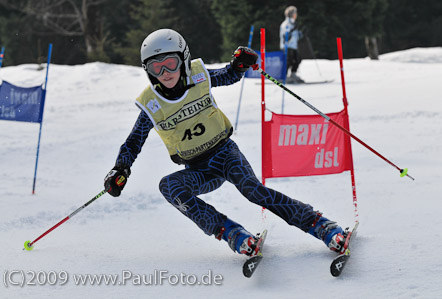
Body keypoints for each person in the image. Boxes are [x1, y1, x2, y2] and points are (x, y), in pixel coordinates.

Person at [104, 28, 348, 258]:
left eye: (170, 63)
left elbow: (228, 75)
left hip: (225, 154)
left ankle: (321, 225)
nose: (165, 72)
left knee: (253, 191)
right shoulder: (151, 104)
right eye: (156, 67)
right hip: (199, 171)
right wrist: (120, 168)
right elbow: (134, 141)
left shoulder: (198, 76)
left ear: (184, 59)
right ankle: (231, 232)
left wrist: (240, 64)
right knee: (169, 186)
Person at [280, 6, 304, 84]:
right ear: (292, 14)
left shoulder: (293, 23)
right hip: (287, 46)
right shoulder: (286, 24)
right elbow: (285, 36)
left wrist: (301, 33)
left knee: (298, 59)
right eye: (295, 13)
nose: (296, 15)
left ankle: (293, 74)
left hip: (294, 46)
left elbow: (295, 36)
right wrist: (291, 31)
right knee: (288, 61)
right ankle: (284, 76)